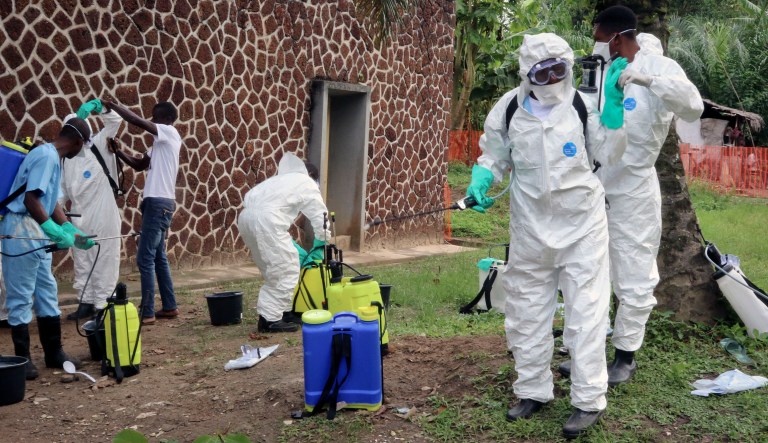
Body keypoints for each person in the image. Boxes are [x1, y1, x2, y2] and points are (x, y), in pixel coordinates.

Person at [466, 33, 627, 439]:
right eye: (545, 70)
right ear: (528, 73)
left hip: (582, 227)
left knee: (586, 313)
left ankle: (588, 400)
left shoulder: (582, 106)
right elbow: (494, 153)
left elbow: (609, 155)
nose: (554, 77)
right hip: (530, 228)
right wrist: (483, 177)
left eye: (561, 68)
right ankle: (533, 390)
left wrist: (612, 117)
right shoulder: (508, 109)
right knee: (526, 310)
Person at [559, 6, 704, 387]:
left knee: (633, 272)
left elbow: (693, 105)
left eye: (600, 37)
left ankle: (625, 355)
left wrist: (647, 80)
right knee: (586, 271)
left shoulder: (660, 67)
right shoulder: (598, 68)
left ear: (619, 38)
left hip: (634, 189)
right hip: (592, 187)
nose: (596, 44)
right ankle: (586, 351)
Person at [1, 118, 93, 380]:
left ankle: (54, 352)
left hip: (35, 230)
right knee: (20, 295)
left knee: (46, 290)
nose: (79, 152)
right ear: (76, 142)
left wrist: (71, 231)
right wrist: (53, 230)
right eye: (81, 147)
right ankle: (22, 360)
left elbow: (48, 201)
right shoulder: (46, 156)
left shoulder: (52, 157)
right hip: (21, 229)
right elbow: (31, 199)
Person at [104, 101, 181, 325]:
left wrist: (112, 105)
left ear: (166, 120)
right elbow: (139, 165)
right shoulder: (159, 145)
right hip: (159, 204)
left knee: (144, 258)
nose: (153, 121)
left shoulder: (170, 132)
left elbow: (137, 121)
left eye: (155, 118)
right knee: (158, 257)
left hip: (158, 204)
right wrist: (119, 152)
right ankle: (169, 306)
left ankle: (147, 312)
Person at [237, 153, 330, 333]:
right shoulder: (306, 183)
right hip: (268, 221)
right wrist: (323, 240)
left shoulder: (278, 181)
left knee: (271, 266)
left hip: (246, 218)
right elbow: (321, 215)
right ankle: (269, 320)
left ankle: (283, 312)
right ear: (311, 176)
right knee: (286, 268)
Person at [60, 100, 124, 320]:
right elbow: (62, 191)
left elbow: (115, 121)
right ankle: (86, 302)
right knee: (82, 260)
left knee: (105, 257)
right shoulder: (66, 160)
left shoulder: (97, 144)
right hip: (78, 216)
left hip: (103, 213)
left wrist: (100, 108)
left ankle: (103, 303)